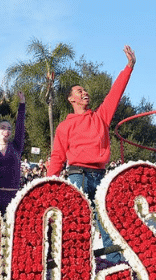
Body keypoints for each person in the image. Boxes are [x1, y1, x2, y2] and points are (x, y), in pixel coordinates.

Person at [47, 45, 136, 200]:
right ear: (71, 99)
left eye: (85, 90)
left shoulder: (100, 117)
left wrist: (129, 67)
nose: (84, 92)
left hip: (100, 176)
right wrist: (47, 186)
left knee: (101, 221)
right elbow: (57, 157)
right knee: (78, 221)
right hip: (77, 176)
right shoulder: (65, 126)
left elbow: (115, 93)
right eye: (79, 91)